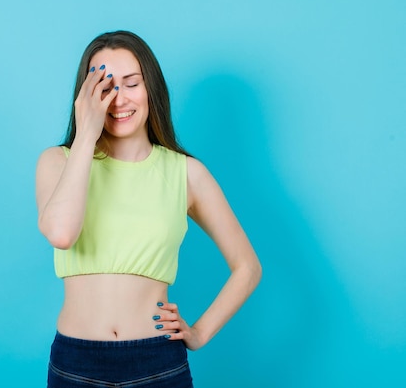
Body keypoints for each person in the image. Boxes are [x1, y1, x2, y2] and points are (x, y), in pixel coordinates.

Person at [35, 30, 262, 388]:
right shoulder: (57, 162)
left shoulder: (185, 173)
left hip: (158, 364)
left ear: (150, 88)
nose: (118, 99)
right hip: (75, 363)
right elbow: (62, 234)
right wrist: (86, 134)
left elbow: (247, 267)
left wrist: (200, 333)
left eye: (131, 83)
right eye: (104, 87)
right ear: (86, 97)